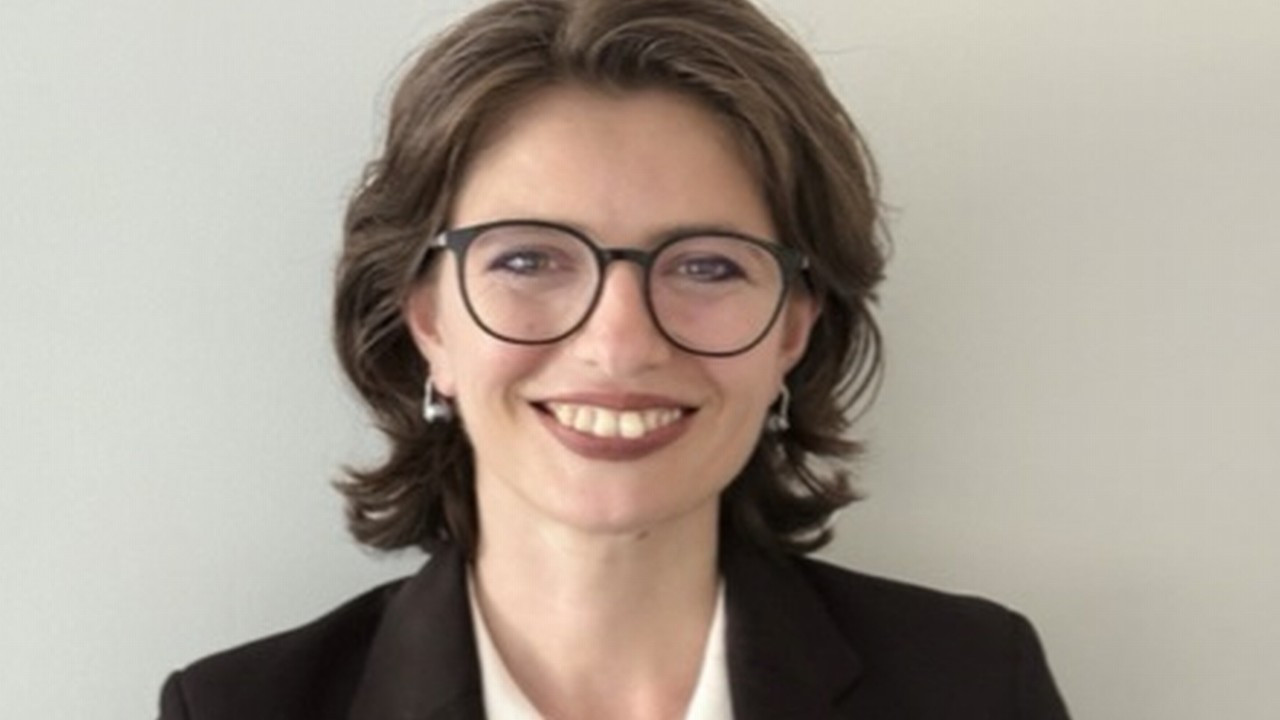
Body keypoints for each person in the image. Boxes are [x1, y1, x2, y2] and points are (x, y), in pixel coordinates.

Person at [158, 0, 1070, 718]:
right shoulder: (239, 709)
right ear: (428, 320)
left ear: (793, 329)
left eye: (707, 266)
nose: (621, 342)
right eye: (529, 260)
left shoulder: (975, 686)